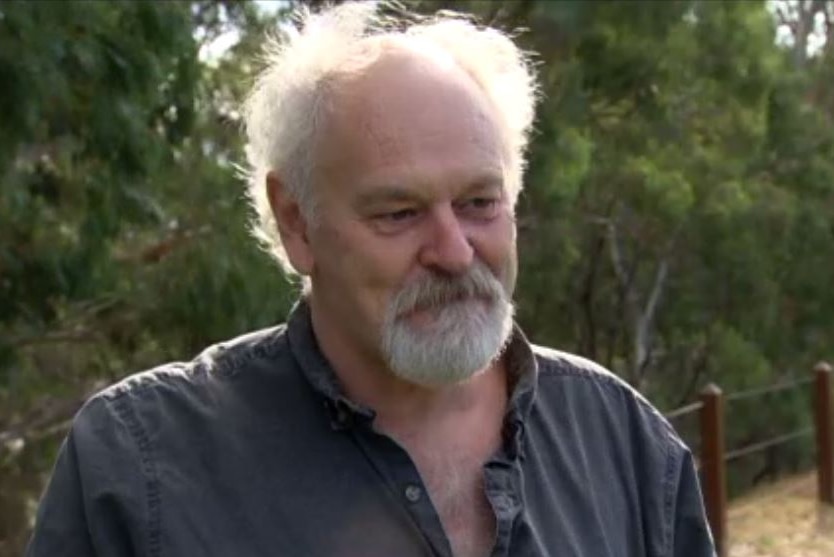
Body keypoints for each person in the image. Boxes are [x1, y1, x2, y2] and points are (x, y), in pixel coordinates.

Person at [26, 2, 715, 556]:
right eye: (399, 212)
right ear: (296, 222)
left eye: (480, 202)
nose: (453, 250)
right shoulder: (139, 466)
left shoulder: (627, 448)